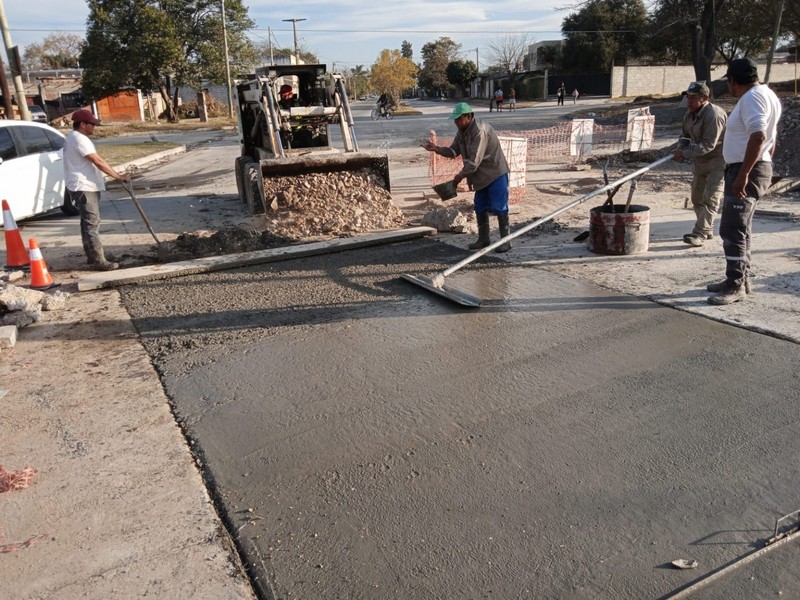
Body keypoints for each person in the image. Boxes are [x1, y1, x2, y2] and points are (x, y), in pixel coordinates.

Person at [707, 57, 782, 305]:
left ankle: (735, 284)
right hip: (752, 167)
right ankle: (740, 279)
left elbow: (759, 135)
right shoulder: (767, 94)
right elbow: (771, 136)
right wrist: (765, 161)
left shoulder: (751, 98)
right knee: (742, 229)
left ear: (733, 81)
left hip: (745, 170)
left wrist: (744, 175)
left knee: (732, 228)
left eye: (728, 82)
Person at [422, 102, 512, 252]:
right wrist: (437, 149)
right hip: (481, 177)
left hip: (495, 173)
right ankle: (484, 239)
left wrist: (458, 177)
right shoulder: (462, 131)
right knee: (480, 206)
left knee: (499, 206)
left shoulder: (479, 131)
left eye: (459, 119)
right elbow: (453, 151)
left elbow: (473, 162)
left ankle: (506, 241)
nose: (456, 122)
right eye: (455, 120)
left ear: (469, 117)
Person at [63, 109, 130, 271]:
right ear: (82, 124)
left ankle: (92, 256)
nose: (94, 127)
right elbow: (98, 161)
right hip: (84, 186)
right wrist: (118, 176)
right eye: (92, 124)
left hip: (81, 185)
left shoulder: (73, 137)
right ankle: (99, 261)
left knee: (86, 222)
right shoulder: (79, 139)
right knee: (91, 224)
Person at [672, 81, 727, 247]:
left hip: (717, 161)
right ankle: (707, 228)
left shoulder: (714, 115)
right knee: (696, 198)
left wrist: (685, 153)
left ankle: (700, 233)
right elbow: (685, 135)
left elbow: (708, 145)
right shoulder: (689, 114)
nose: (689, 101)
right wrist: (680, 147)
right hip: (699, 162)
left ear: (704, 98)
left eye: (693, 98)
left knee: (710, 198)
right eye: (688, 97)